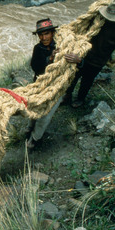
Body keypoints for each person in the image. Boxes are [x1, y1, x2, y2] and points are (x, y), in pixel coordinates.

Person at [63, 0, 115, 108]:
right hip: (83, 54)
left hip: (98, 61)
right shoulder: (97, 19)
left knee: (87, 81)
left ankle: (80, 98)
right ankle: (67, 96)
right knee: (73, 76)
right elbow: (82, 27)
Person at [27, 18, 69, 149]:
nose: (44, 37)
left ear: (52, 33)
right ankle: (30, 127)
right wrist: (49, 58)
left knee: (45, 114)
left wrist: (78, 60)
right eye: (41, 34)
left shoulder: (63, 46)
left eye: (47, 34)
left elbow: (75, 67)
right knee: (33, 107)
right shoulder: (37, 48)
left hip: (56, 86)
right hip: (40, 84)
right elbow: (36, 67)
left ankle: (35, 138)